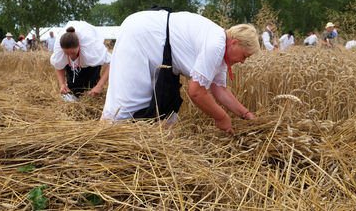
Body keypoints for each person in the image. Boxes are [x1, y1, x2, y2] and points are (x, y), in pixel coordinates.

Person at [101, 10, 260, 134]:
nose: (243, 61)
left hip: (161, 52)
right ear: (234, 43)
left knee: (167, 119)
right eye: (244, 55)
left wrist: (246, 114)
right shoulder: (216, 45)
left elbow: (220, 90)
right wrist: (222, 118)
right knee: (125, 108)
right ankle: (103, 144)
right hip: (141, 36)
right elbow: (196, 92)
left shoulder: (221, 50)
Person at [50, 21, 111, 99]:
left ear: (79, 45)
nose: (71, 56)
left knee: (91, 88)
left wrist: (100, 86)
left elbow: (111, 63)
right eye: (67, 53)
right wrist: (62, 84)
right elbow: (58, 65)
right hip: (74, 66)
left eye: (73, 52)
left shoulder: (91, 48)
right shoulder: (59, 49)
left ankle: (92, 92)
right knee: (73, 90)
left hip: (90, 63)